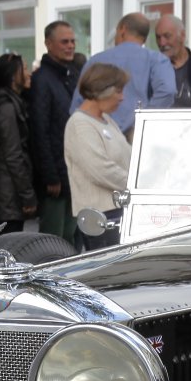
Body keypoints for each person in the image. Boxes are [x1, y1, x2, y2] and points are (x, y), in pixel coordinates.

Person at [69, 12, 175, 139]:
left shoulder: (95, 61)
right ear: (145, 38)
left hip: (101, 135)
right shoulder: (157, 60)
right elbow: (168, 91)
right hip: (139, 136)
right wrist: (142, 120)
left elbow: (78, 103)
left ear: (122, 29)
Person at [65, 62, 133, 249]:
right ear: (103, 90)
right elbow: (100, 169)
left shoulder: (106, 120)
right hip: (102, 217)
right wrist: (137, 185)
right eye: (118, 91)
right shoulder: (79, 124)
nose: (122, 97)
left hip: (118, 209)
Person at [28, 21, 83, 242]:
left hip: (74, 169)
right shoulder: (42, 79)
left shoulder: (72, 75)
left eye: (72, 41)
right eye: (64, 42)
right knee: (53, 238)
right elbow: (39, 130)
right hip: (56, 175)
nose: (70, 46)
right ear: (49, 44)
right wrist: (50, 175)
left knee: (70, 235)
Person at [0, 53, 36, 235]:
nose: (29, 74)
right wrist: (27, 194)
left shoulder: (12, 102)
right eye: (25, 69)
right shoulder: (7, 107)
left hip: (9, 188)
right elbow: (13, 154)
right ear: (13, 76)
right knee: (9, 244)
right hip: (9, 190)